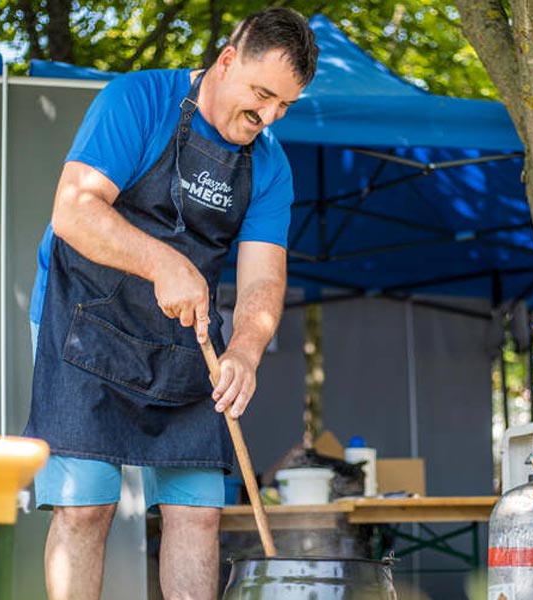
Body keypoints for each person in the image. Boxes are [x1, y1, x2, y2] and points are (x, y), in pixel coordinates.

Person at [23, 8, 318, 600]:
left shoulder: (269, 164)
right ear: (227, 60)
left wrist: (245, 352)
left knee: (198, 514)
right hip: (83, 322)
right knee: (86, 508)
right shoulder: (136, 100)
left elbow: (264, 279)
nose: (267, 118)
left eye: (284, 106)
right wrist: (163, 262)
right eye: (261, 95)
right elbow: (74, 210)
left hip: (189, 338)